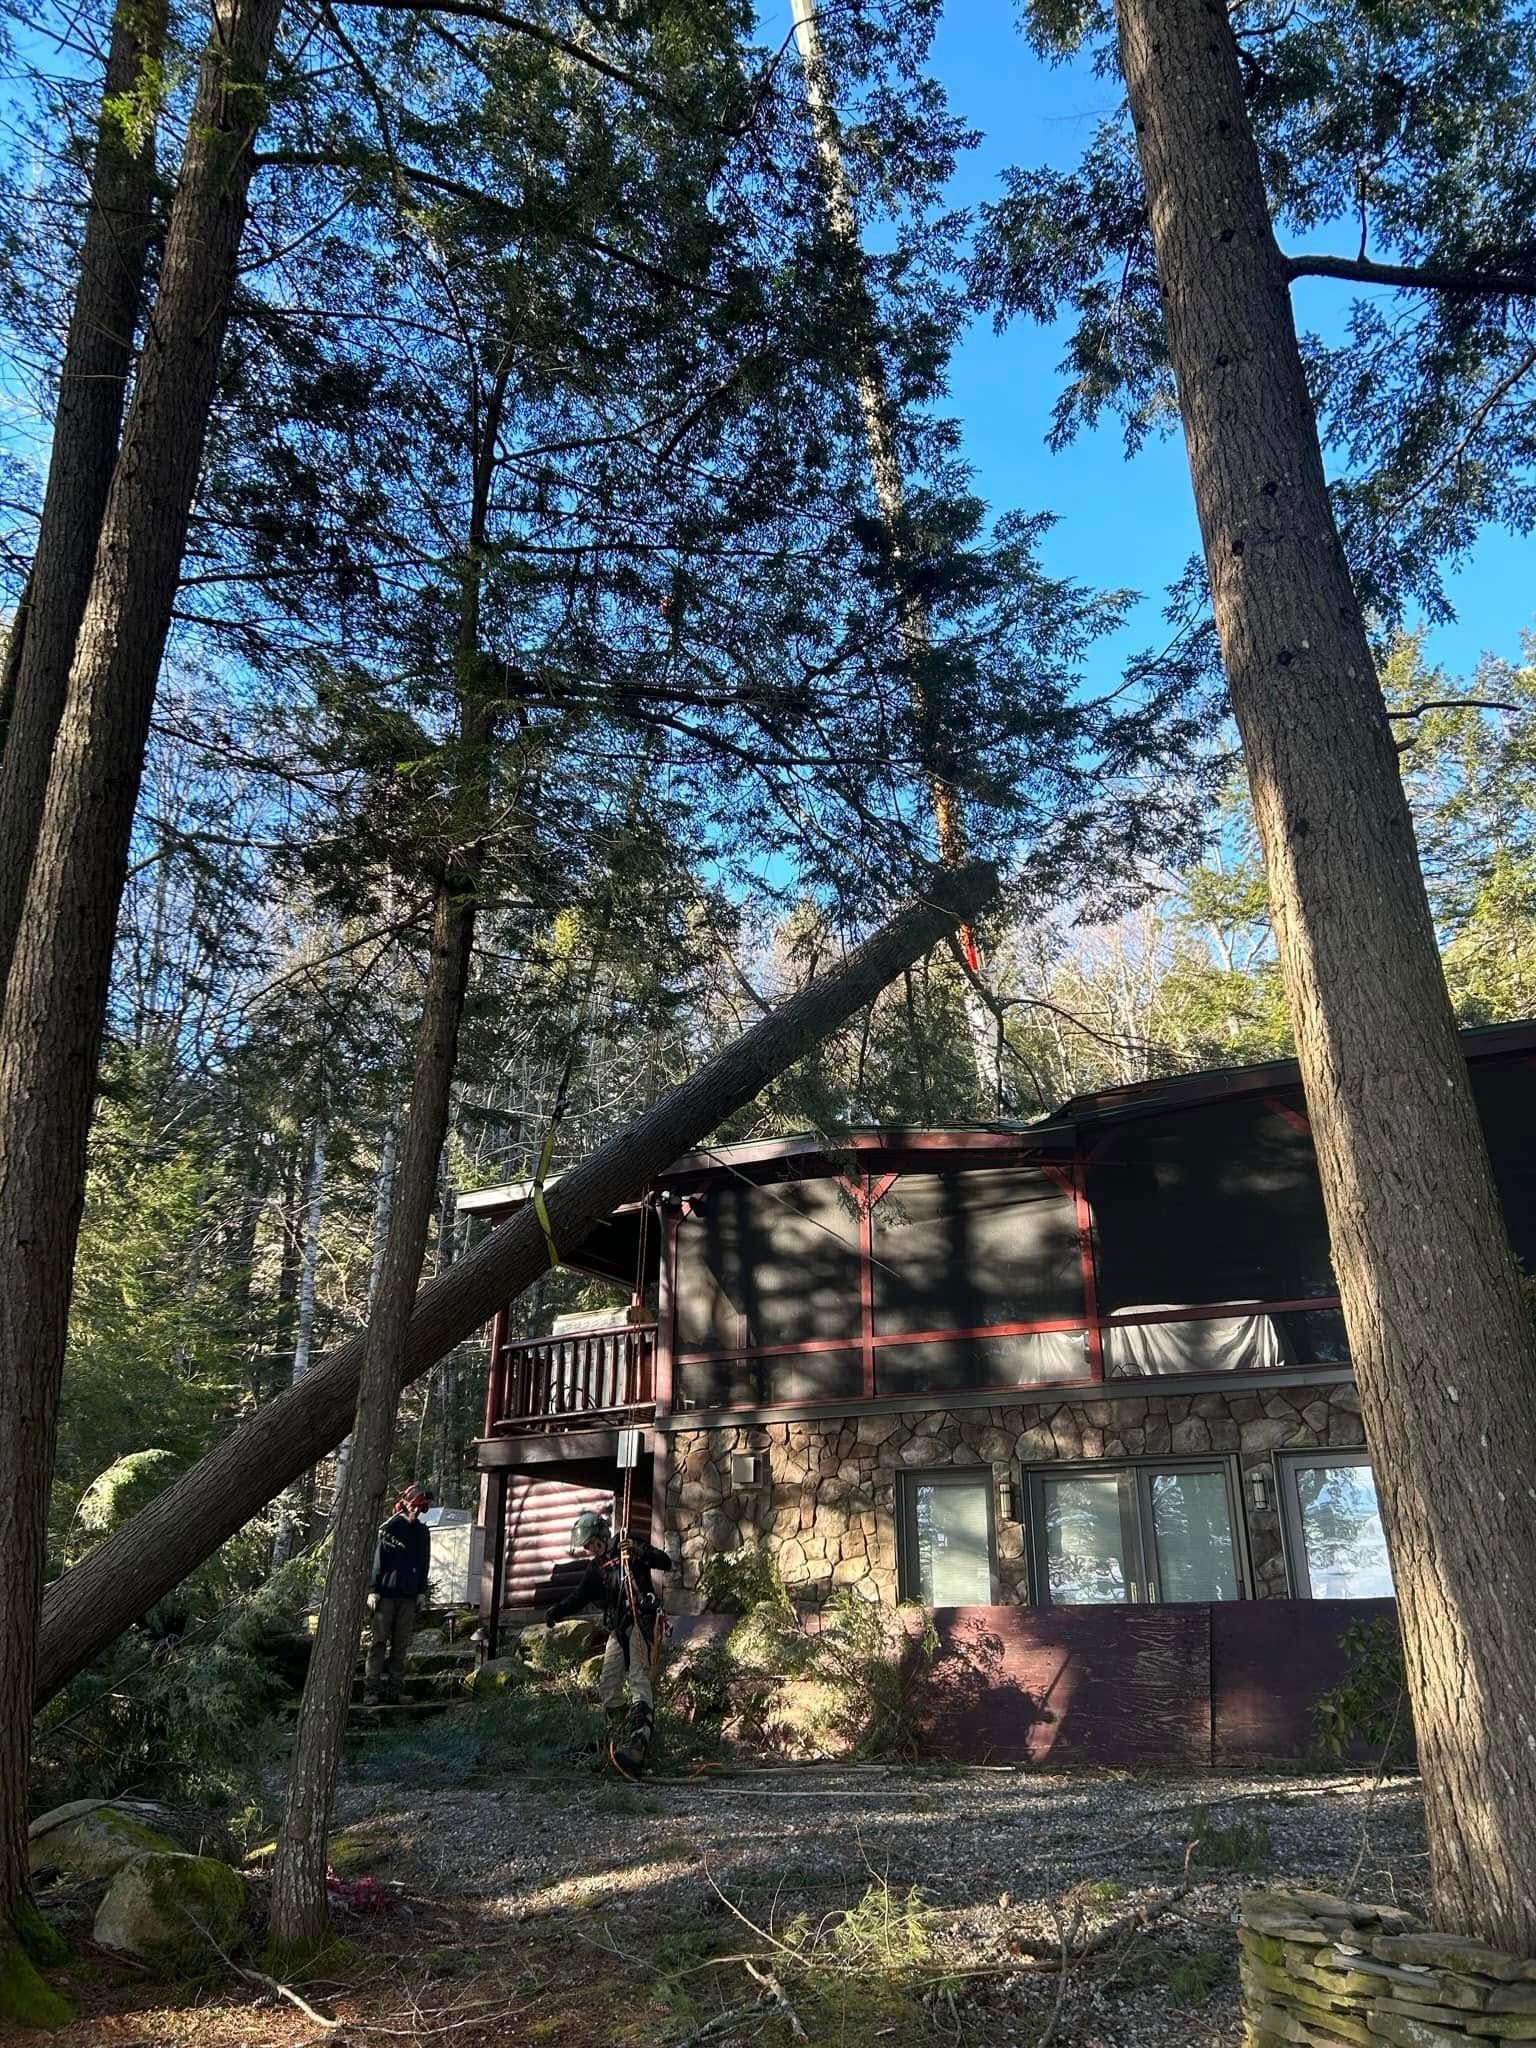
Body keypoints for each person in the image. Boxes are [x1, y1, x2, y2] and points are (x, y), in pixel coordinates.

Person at [545, 1510, 671, 1776]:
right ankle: (617, 1737)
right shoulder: (596, 1568)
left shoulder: (628, 1545)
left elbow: (665, 1561)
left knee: (638, 1678)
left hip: (641, 1620)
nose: (591, 1548)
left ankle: (639, 1744)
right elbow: (579, 1596)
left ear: (602, 1535)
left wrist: (638, 1550)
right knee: (608, 1685)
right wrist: (555, 1612)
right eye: (587, 1546)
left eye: (593, 1542)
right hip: (617, 1627)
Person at [364, 1483, 432, 1704]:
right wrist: (373, 1590)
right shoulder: (389, 1527)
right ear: (405, 1504)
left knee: (400, 1645)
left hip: (409, 1595)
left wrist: (421, 1591)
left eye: (421, 1507)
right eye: (415, 1506)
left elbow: (424, 1562)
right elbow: (377, 1560)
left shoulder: (422, 1532)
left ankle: (395, 1690)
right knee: (379, 1642)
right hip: (385, 1595)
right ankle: (371, 1690)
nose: (417, 1511)